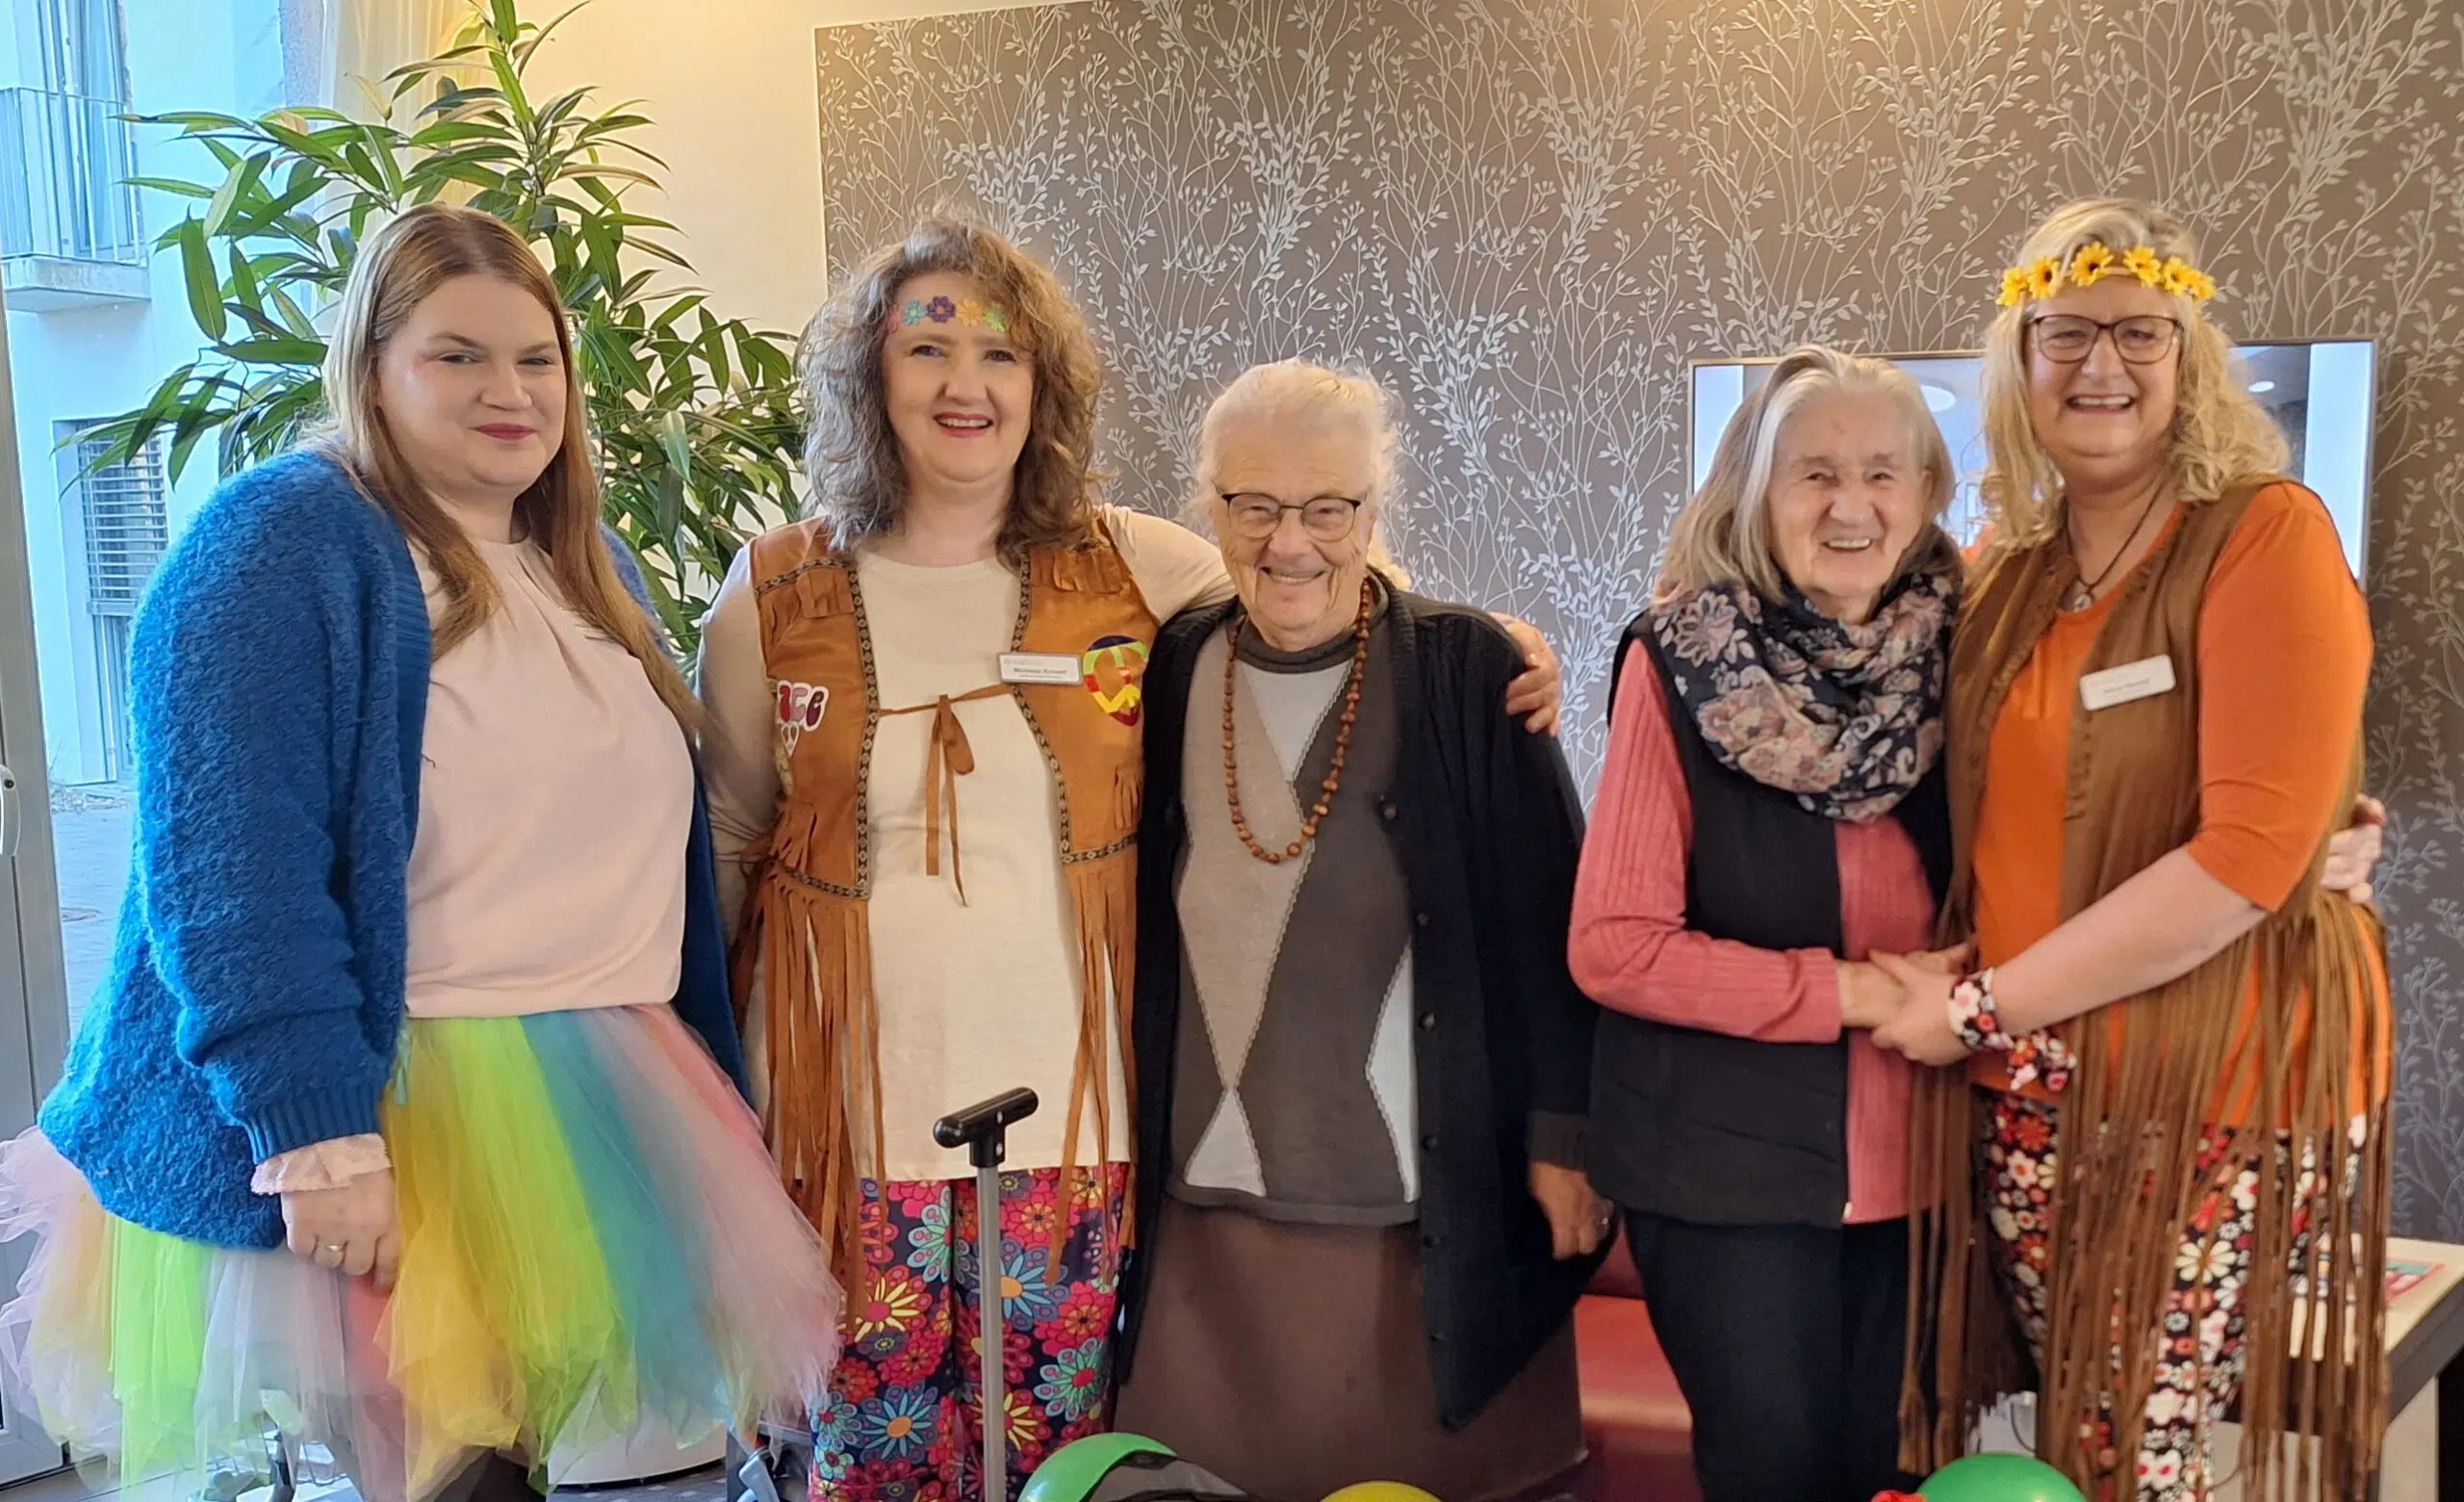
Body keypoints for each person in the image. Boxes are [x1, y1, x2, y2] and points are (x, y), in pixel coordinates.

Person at [695, 220, 1562, 1501]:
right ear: (868, 375)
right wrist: (706, 1090)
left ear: (1041, 383)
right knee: (863, 1460)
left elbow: (1316, 577)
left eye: (1000, 353)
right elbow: (726, 837)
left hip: (1074, 1127)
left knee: (1065, 1469)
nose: (965, 382)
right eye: (927, 347)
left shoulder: (1130, 565)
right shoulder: (774, 592)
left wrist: (1498, 643)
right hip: (843, 1129)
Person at [0, 205, 841, 1502]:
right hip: (389, 1101)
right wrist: (317, 1140)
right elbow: (230, 878)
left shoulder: (584, 562)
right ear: (374, 364)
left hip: (594, 1086)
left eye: (536, 358)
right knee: (446, 1483)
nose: (511, 391)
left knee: (524, 1467)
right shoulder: (280, 543)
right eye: (458, 356)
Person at [1886, 197, 2390, 1501]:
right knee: (2087, 1437)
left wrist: (1980, 1007)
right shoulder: (2007, 568)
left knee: (2127, 1453)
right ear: (2019, 360)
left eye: (2138, 332)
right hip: (2034, 1082)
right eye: (2065, 332)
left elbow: (2248, 857)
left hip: (2211, 1081)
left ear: (2190, 356)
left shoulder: (2262, 533)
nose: (2100, 363)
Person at [1111, 361, 1604, 1502]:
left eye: (1328, 507)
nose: (1290, 542)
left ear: (1374, 512)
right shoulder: (1170, 662)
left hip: (1421, 1222)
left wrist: (1566, 1143)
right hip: (1205, 1216)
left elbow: (1550, 927)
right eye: (1253, 505)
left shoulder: (1469, 670)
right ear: (1209, 509)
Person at [1569, 346, 1958, 1502]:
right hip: (1721, 1176)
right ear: (1754, 493)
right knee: (1772, 1476)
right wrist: (1849, 993)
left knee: (1895, 1477)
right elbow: (1614, 945)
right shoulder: (1679, 658)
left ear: (1927, 492)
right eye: (1814, 474)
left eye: (1881, 473)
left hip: (1930, 1166)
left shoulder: (1973, 652)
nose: (1850, 506)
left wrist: (2325, 839)